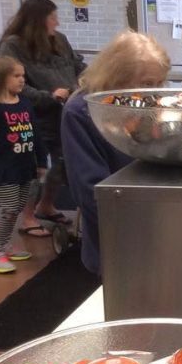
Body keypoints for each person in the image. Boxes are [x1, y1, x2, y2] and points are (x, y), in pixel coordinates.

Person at [62, 32, 170, 275]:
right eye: (147, 83)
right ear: (118, 78)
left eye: (160, 83)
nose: (154, 93)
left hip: (159, 229)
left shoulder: (143, 105)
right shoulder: (81, 112)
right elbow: (90, 191)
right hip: (117, 238)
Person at [0, 0, 85, 235]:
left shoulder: (60, 40)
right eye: (52, 18)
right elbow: (14, 82)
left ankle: (45, 206)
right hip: (34, 116)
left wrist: (85, 82)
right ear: (37, 20)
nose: (56, 23)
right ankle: (26, 218)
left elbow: (78, 65)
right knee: (36, 167)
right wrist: (48, 95)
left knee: (62, 163)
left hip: (65, 112)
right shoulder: (13, 45)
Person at [0, 57, 46, 273]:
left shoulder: (25, 104)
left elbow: (36, 135)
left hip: (25, 166)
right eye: (16, 76)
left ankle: (4, 243)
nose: (22, 80)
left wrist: (42, 161)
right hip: (5, 170)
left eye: (23, 76)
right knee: (7, 208)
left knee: (17, 207)